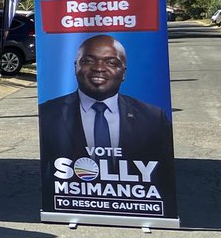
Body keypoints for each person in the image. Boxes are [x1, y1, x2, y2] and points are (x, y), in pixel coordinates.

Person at [38, 34, 173, 160]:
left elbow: (162, 174)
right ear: (76, 67)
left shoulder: (153, 118)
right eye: (89, 61)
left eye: (111, 63)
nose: (99, 68)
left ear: (123, 73)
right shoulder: (48, 114)